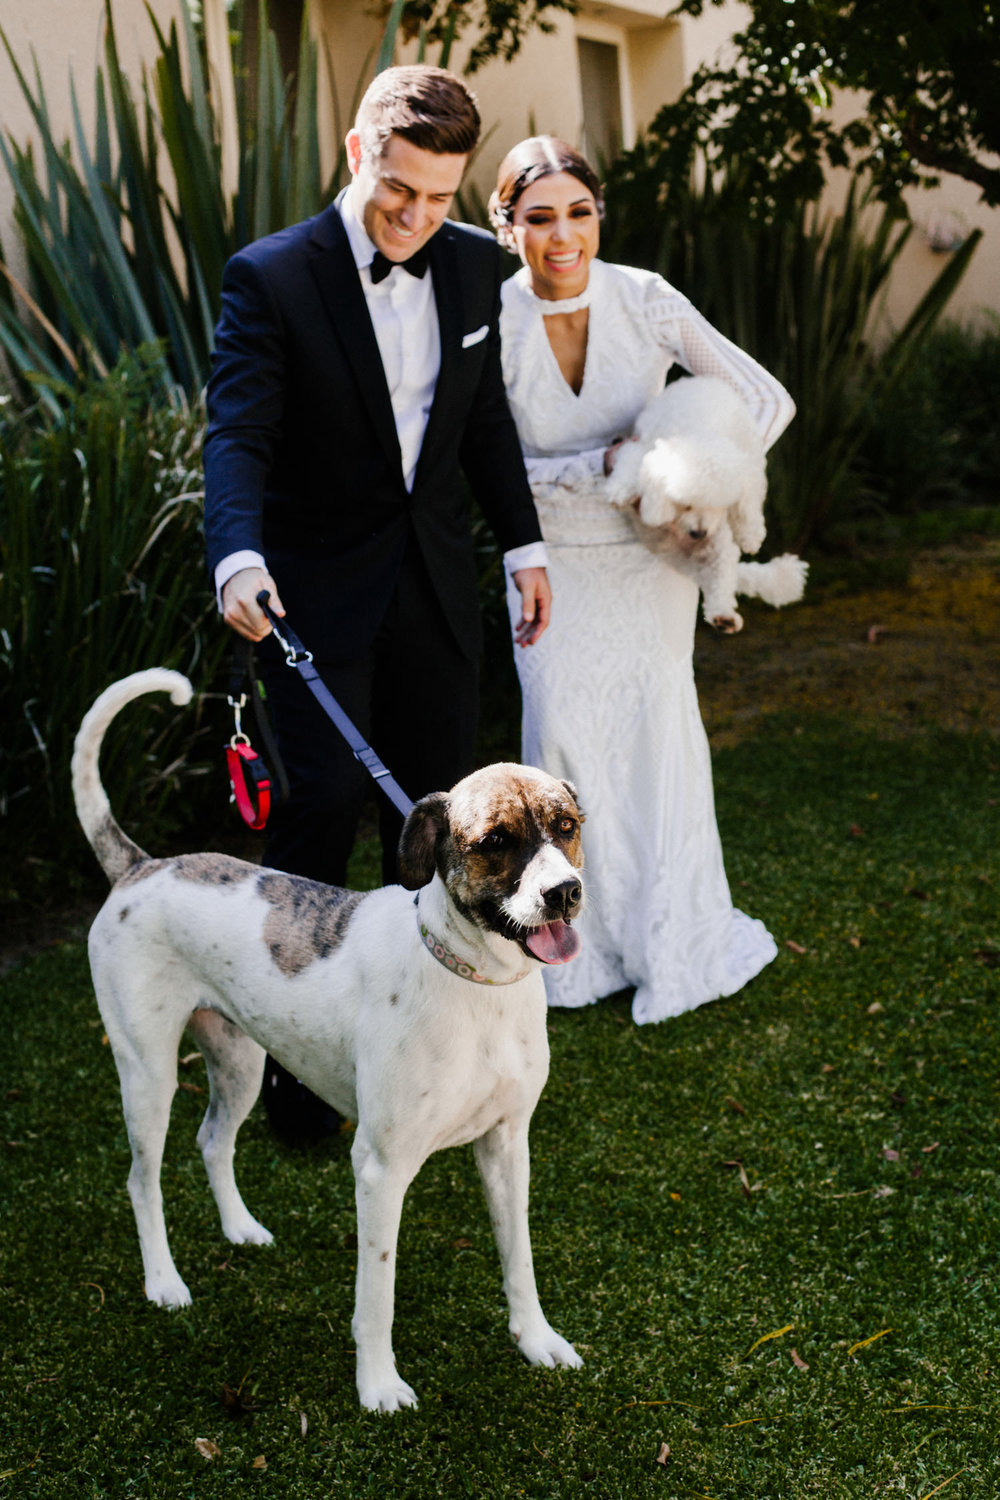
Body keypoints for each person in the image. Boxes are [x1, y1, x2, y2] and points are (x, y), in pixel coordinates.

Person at [202, 68, 551, 1140]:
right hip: (308, 596)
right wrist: (236, 557)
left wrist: (523, 543)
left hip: (436, 591)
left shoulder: (475, 268)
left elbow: (483, 422)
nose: (413, 216)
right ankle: (300, 1080)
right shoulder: (272, 277)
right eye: (398, 189)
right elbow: (239, 434)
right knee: (314, 813)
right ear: (358, 153)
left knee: (442, 820)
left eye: (438, 198)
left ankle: (451, 1048)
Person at [488, 136, 796, 1026]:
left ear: (597, 218)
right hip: (543, 566)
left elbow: (764, 402)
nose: (562, 236)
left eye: (578, 213)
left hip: (647, 560)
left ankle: (670, 942)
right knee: (558, 747)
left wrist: (685, 472)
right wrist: (592, 468)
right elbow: (477, 455)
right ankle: (573, 954)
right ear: (505, 226)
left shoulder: (646, 299)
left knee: (657, 737)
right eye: (539, 217)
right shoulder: (489, 315)